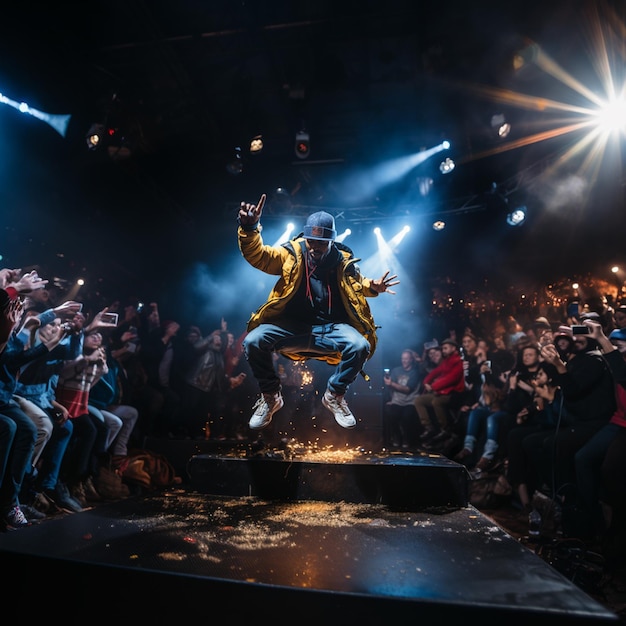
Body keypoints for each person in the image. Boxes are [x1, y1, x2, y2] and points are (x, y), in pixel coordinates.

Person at [237, 193, 399, 431]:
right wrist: (249, 228)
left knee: (361, 345)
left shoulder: (343, 262)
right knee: (253, 340)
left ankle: (334, 395)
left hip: (330, 330)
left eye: (321, 242)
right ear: (306, 236)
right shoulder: (290, 254)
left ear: (332, 241)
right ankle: (271, 397)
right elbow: (259, 256)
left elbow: (357, 283)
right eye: (312, 241)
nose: (315, 247)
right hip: (292, 326)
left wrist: (373, 287)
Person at [413, 338, 465, 442]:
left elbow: (451, 378)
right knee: (419, 400)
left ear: (453, 348)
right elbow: (436, 372)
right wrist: (426, 382)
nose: (443, 350)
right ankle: (428, 427)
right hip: (442, 392)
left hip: (452, 393)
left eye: (445, 348)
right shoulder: (447, 362)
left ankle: (445, 429)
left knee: (437, 402)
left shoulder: (458, 361)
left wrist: (433, 386)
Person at [383, 349, 422, 449]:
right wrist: (391, 399)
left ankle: (406, 439)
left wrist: (391, 383)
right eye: (402, 359)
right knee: (391, 414)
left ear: (411, 360)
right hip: (397, 401)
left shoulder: (414, 373)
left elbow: (407, 389)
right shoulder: (396, 370)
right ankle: (396, 437)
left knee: (407, 417)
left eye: (406, 359)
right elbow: (390, 388)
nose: (404, 361)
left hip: (410, 401)